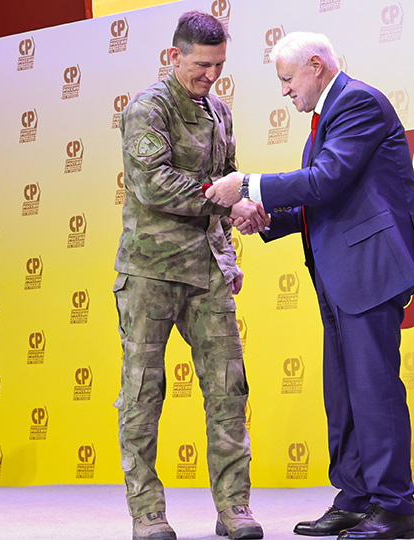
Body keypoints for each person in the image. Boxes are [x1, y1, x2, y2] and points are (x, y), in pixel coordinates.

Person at [207, 31, 414, 540]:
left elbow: (327, 179)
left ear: (316, 65)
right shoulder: (327, 118)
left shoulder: (357, 102)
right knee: (344, 393)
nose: (285, 91)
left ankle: (395, 508)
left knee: (374, 390)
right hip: (339, 273)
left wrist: (246, 184)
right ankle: (356, 498)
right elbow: (323, 200)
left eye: (288, 79)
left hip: (370, 270)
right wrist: (267, 218)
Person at [113, 11, 268, 540]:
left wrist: (229, 253)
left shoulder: (220, 110)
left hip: (207, 272)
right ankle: (147, 514)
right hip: (149, 273)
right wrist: (224, 202)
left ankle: (234, 508)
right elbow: (153, 185)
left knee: (229, 390)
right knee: (143, 393)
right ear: (175, 56)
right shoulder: (148, 109)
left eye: (219, 64)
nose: (211, 74)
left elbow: (226, 181)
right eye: (202, 64)